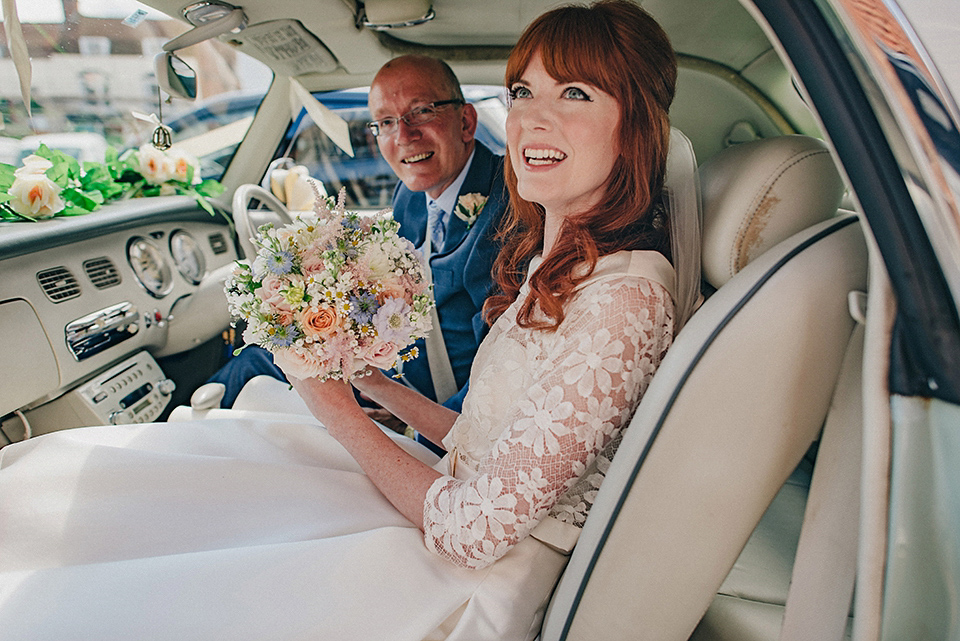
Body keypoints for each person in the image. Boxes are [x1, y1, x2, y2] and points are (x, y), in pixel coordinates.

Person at [0, 2, 696, 640]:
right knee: (205, 474)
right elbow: (490, 440)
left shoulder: (622, 300)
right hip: (454, 503)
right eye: (522, 92)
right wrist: (377, 386)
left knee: (195, 548)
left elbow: (476, 530)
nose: (532, 120)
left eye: (575, 93)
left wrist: (338, 411)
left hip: (469, 575)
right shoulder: (567, 266)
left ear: (634, 121)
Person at [207, 55, 507, 418]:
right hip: (395, 374)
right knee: (257, 361)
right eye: (386, 122)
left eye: (422, 111)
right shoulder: (411, 193)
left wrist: (404, 409)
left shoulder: (510, 204)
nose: (404, 136)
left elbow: (500, 371)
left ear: (466, 121)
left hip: (440, 410)